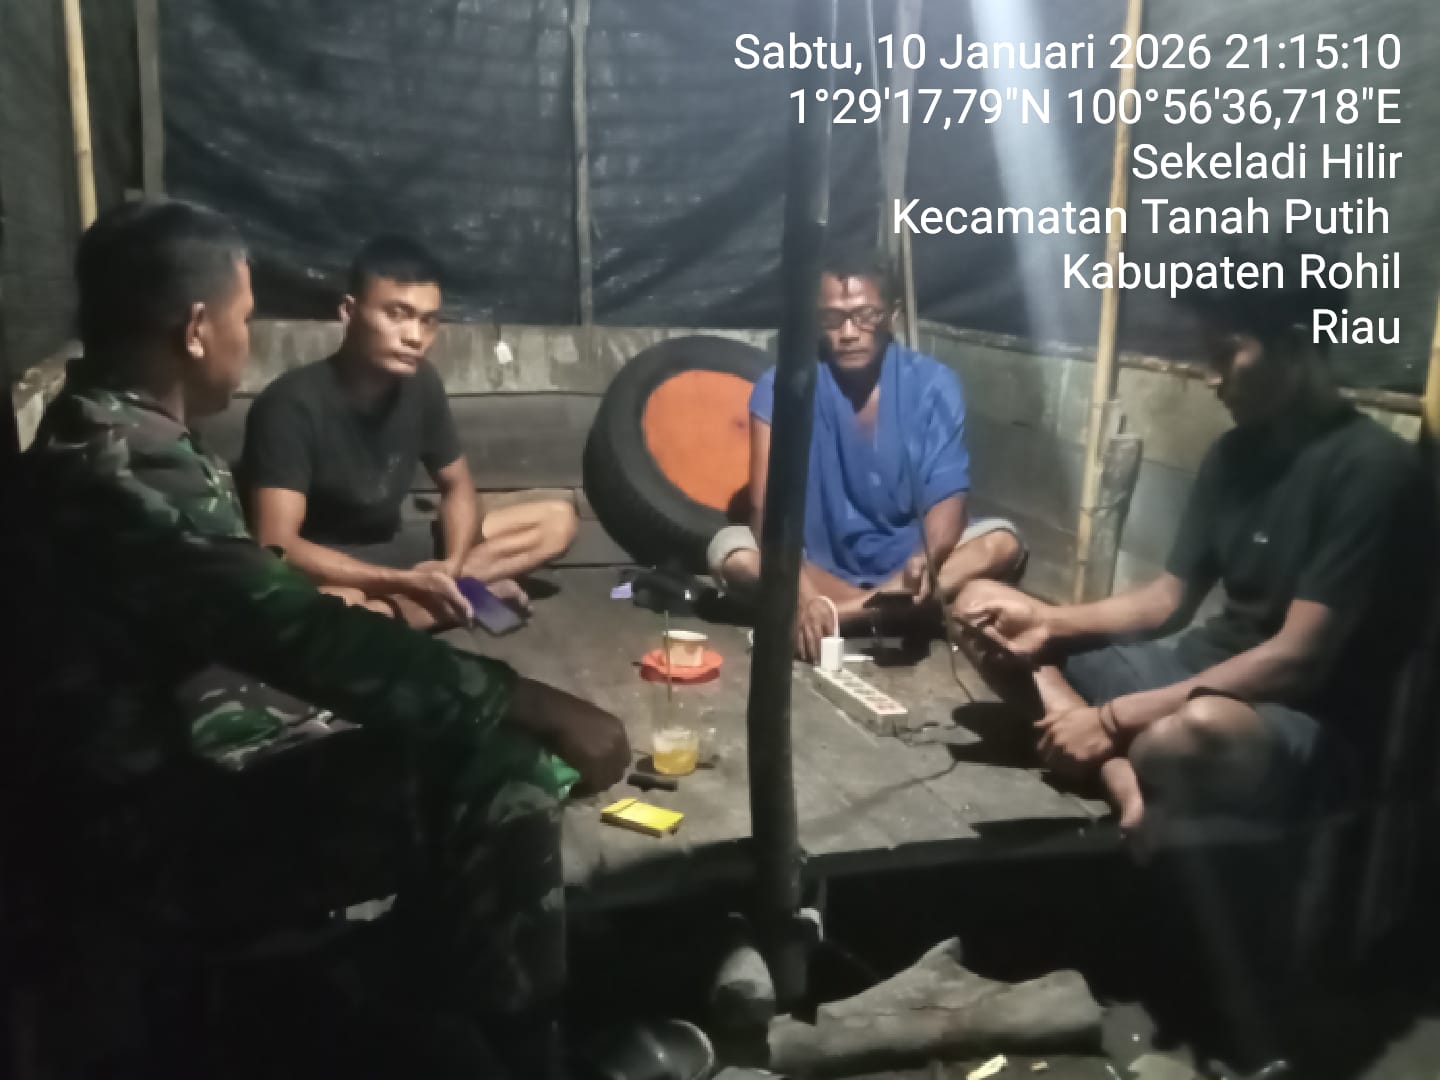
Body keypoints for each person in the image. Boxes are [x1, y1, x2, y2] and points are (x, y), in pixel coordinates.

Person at [7, 199, 635, 1076]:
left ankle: (386, 998)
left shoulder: (102, 431)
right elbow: (298, 634)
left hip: (138, 779)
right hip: (137, 839)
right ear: (197, 329)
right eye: (243, 315)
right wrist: (525, 701)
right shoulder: (128, 474)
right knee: (498, 775)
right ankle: (518, 1049)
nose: (247, 336)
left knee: (385, 720)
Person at [954, 257, 1429, 831]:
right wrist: (1046, 621)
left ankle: (1108, 753)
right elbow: (1165, 601)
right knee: (983, 611)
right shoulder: (1234, 455)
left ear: (1295, 345)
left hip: (1287, 718)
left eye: (1226, 354)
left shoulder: (1373, 470)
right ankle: (1120, 775)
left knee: (1191, 735)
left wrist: (1111, 719)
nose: (1211, 377)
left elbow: (1296, 661)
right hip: (1188, 674)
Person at [242, 235, 578, 629]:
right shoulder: (291, 404)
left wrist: (452, 565)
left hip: (401, 546)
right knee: (331, 607)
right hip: (329, 565)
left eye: (427, 320)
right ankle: (448, 602)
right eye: (397, 314)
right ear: (349, 312)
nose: (415, 337)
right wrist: (403, 582)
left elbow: (458, 488)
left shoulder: (422, 384)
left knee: (557, 521)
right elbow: (277, 544)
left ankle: (442, 596)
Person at [707, 248, 1025, 661]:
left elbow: (949, 495)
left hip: (906, 571)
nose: (849, 333)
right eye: (832, 319)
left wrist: (925, 558)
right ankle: (892, 614)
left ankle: (844, 616)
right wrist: (802, 593)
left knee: (1002, 543)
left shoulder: (934, 383)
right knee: (733, 556)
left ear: (892, 315)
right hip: (814, 567)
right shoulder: (781, 385)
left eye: (865, 316)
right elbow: (767, 508)